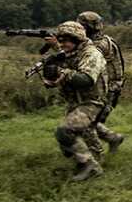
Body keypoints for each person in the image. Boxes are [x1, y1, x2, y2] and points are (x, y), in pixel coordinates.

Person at [42, 21, 108, 181]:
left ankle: (91, 167)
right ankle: (90, 160)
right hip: (75, 102)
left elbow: (85, 80)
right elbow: (64, 73)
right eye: (60, 41)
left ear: (77, 40)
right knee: (71, 145)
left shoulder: (92, 54)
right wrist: (52, 78)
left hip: (92, 102)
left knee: (64, 132)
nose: (62, 44)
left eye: (66, 41)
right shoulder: (70, 53)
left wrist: (62, 72)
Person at [76, 11, 126, 153]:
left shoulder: (100, 44)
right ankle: (113, 138)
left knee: (86, 123)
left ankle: (94, 157)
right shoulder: (95, 41)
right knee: (87, 121)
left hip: (108, 91)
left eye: (81, 27)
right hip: (103, 88)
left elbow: (80, 58)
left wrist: (59, 45)